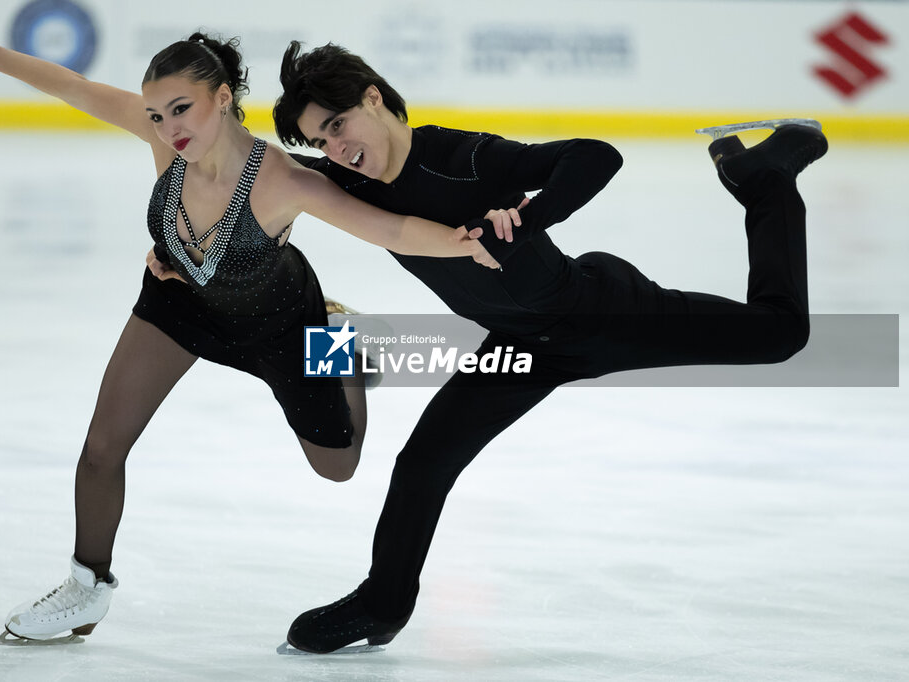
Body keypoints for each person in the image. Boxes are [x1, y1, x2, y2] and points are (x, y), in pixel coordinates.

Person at [0, 9, 501, 643]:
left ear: (223, 98)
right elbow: (78, 89)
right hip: (180, 303)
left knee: (338, 466)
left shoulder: (286, 180)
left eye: (181, 110)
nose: (168, 128)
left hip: (280, 326)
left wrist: (466, 243)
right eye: (156, 116)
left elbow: (391, 227)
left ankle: (346, 342)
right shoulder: (165, 145)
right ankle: (86, 587)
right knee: (103, 445)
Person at [271, 42, 828, 653]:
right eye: (319, 142)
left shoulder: (465, 158)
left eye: (336, 126)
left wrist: (528, 219)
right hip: (522, 345)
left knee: (780, 334)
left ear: (372, 99)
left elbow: (595, 158)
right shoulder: (349, 182)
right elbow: (258, 171)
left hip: (599, 315)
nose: (335, 149)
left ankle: (766, 181)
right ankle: (383, 604)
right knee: (424, 463)